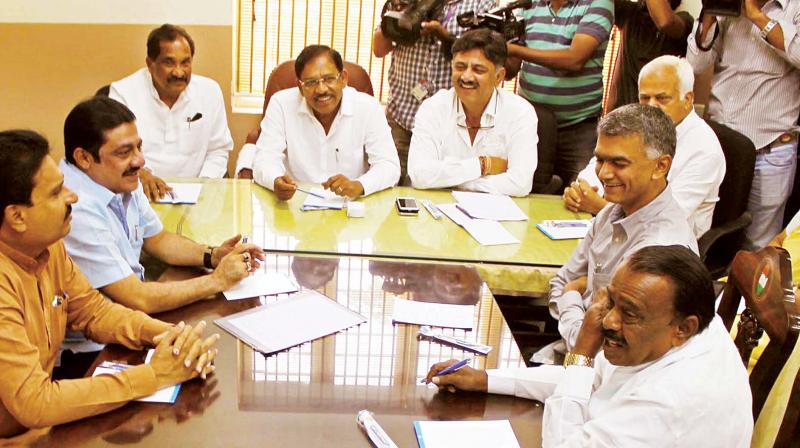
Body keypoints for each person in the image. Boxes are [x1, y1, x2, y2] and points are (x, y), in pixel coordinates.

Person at [0, 129, 219, 438]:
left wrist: (166, 335)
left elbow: (94, 312)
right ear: (16, 217)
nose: (72, 196)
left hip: (42, 429)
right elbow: (34, 402)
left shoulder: (47, 248)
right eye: (56, 192)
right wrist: (154, 375)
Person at [423, 245, 753, 447]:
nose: (608, 321)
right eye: (610, 300)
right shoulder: (682, 327)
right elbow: (593, 379)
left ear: (683, 328)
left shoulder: (670, 403)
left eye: (629, 313)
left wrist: (580, 354)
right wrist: (488, 380)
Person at [61, 96, 264, 315]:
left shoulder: (116, 177)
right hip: (98, 341)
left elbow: (158, 239)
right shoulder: (76, 208)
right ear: (83, 158)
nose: (140, 161)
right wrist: (218, 280)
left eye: (139, 147)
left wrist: (213, 255)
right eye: (124, 152)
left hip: (130, 313)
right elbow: (138, 298)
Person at [539, 103, 698, 364]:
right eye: (600, 159)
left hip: (603, 380)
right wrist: (572, 299)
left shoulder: (660, 249)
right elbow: (561, 282)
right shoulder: (611, 212)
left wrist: (571, 297)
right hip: (565, 357)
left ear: (660, 166)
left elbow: (602, 351)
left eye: (619, 163)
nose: (603, 173)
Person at [564, 56, 725, 237]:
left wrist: (600, 206)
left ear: (688, 99)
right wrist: (581, 191)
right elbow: (600, 162)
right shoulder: (638, 125)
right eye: (645, 98)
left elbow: (668, 219)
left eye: (662, 98)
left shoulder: (705, 149)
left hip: (667, 246)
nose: (652, 107)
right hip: (615, 229)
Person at [686, 0, 800, 250]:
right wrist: (709, 15)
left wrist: (757, 17)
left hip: (770, 149)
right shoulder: (727, 6)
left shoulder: (794, 8)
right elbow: (695, 65)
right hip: (720, 148)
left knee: (756, 249)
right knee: (706, 238)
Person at [250, 45, 400, 201]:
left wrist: (359, 185)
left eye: (329, 79)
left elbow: (389, 165)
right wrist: (275, 180)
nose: (321, 89)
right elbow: (265, 159)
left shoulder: (368, 107)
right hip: (296, 204)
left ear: (343, 79)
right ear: (300, 88)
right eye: (311, 82)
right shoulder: (281, 104)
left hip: (350, 207)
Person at [373, 0, 495, 184]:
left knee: (439, 188)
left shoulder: (481, 4)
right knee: (392, 185)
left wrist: (442, 34)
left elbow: (482, 57)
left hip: (448, 125)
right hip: (402, 114)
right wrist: (400, 17)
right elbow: (379, 49)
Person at [110, 24, 234, 201]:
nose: (178, 72)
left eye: (185, 62)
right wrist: (141, 175)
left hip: (198, 195)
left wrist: (204, 186)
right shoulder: (123, 93)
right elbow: (118, 152)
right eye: (169, 62)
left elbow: (218, 150)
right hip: (140, 193)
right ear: (150, 64)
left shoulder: (210, 91)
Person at [407, 29, 538, 197]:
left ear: (499, 77)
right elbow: (419, 175)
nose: (466, 77)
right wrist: (483, 165)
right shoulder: (433, 108)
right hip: (440, 211)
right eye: (460, 67)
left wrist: (452, 180)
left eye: (478, 70)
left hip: (497, 215)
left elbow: (520, 184)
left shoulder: (520, 113)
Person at [507, 0, 614, 190]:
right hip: (532, 125)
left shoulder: (598, 3)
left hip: (578, 128)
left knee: (582, 195)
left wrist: (514, 50)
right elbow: (510, 70)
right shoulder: (528, 5)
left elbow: (574, 59)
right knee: (526, 193)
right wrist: (494, 47)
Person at [608, 0, 694, 110]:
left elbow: (665, 21)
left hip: (656, 120)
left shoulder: (685, 21)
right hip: (622, 117)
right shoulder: (631, 13)